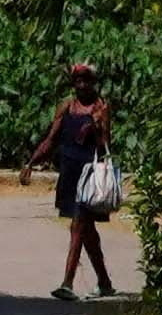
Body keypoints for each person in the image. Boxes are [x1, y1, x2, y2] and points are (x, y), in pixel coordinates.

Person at [39, 65, 124, 301]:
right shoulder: (66, 107)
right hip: (69, 173)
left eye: (86, 81)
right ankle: (104, 282)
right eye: (77, 81)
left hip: (89, 177)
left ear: (93, 82)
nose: (82, 85)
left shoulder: (100, 108)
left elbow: (106, 144)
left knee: (77, 227)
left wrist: (97, 127)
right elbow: (52, 138)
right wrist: (31, 162)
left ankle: (67, 283)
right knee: (87, 232)